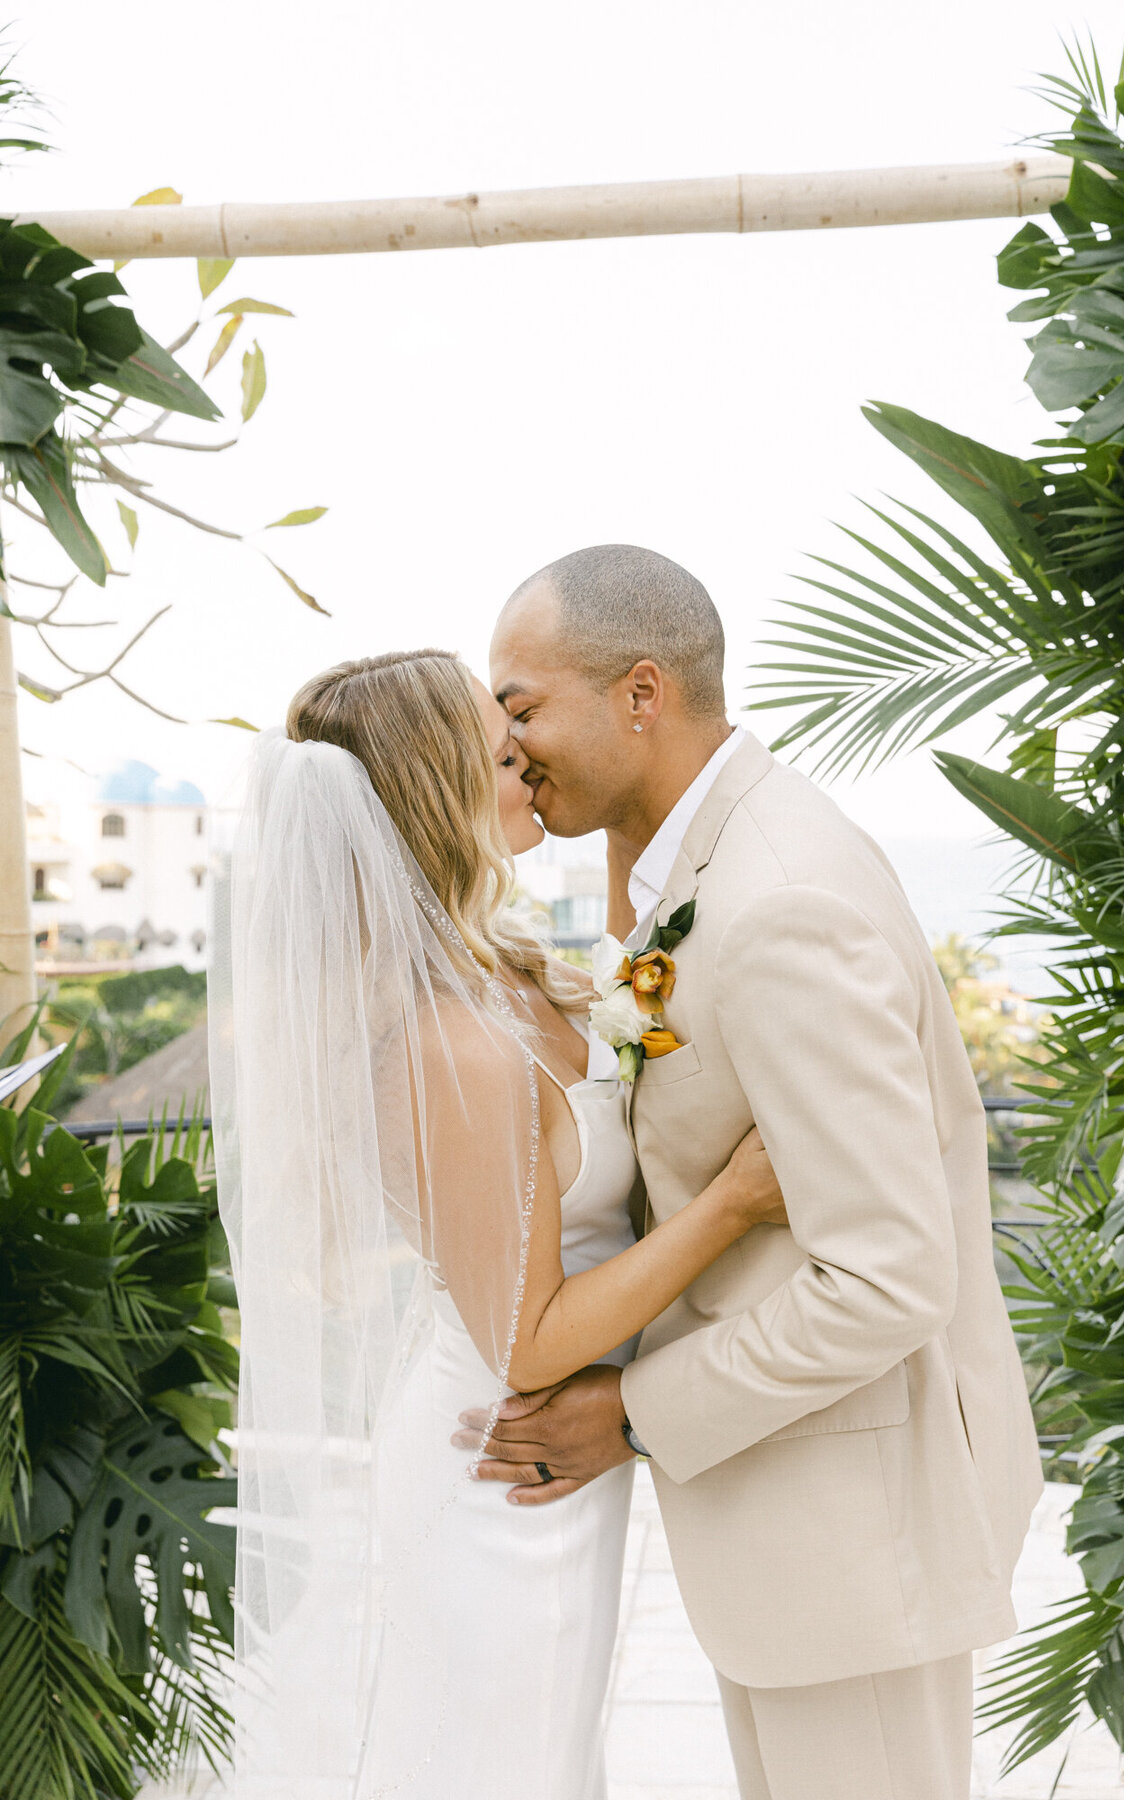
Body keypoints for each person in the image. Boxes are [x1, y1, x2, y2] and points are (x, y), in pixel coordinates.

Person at [457, 544, 1044, 1800]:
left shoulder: (779, 901)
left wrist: (627, 1415)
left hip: (861, 1528)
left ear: (640, 694)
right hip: (799, 1531)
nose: (507, 750)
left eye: (520, 709)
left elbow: (885, 1282)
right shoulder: (697, 871)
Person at [208, 646, 785, 1800]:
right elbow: (526, 1337)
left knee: (545, 1757)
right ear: (438, 787)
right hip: (500, 1458)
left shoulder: (505, 973)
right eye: (496, 739)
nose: (525, 754)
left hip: (542, 1451)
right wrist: (734, 1203)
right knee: (505, 1766)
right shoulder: (449, 1045)